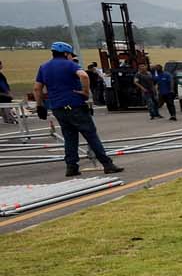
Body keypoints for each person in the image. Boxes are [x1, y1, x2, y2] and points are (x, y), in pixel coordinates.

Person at [33, 42, 122, 176]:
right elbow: (84, 76)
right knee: (90, 135)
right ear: (65, 53)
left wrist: (40, 106)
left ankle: (71, 167)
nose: (71, 57)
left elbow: (37, 88)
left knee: (69, 137)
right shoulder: (70, 65)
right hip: (74, 105)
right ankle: (107, 164)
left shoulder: (44, 67)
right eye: (70, 55)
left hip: (57, 107)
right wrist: (85, 92)